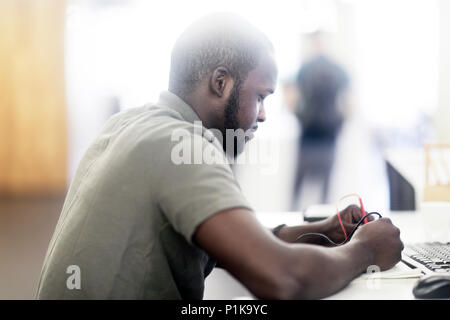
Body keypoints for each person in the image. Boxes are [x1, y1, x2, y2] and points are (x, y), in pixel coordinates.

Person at [37, 13, 403, 300]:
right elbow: (282, 279)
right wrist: (365, 250)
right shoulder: (187, 147)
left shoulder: (130, 124)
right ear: (220, 83)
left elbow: (237, 239)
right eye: (260, 97)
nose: (263, 114)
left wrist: (322, 231)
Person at [291, 31, 350, 211]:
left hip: (327, 136)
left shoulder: (337, 70)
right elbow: (292, 98)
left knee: (324, 192)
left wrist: (338, 123)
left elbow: (348, 102)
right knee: (299, 189)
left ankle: (324, 229)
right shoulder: (305, 68)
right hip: (309, 135)